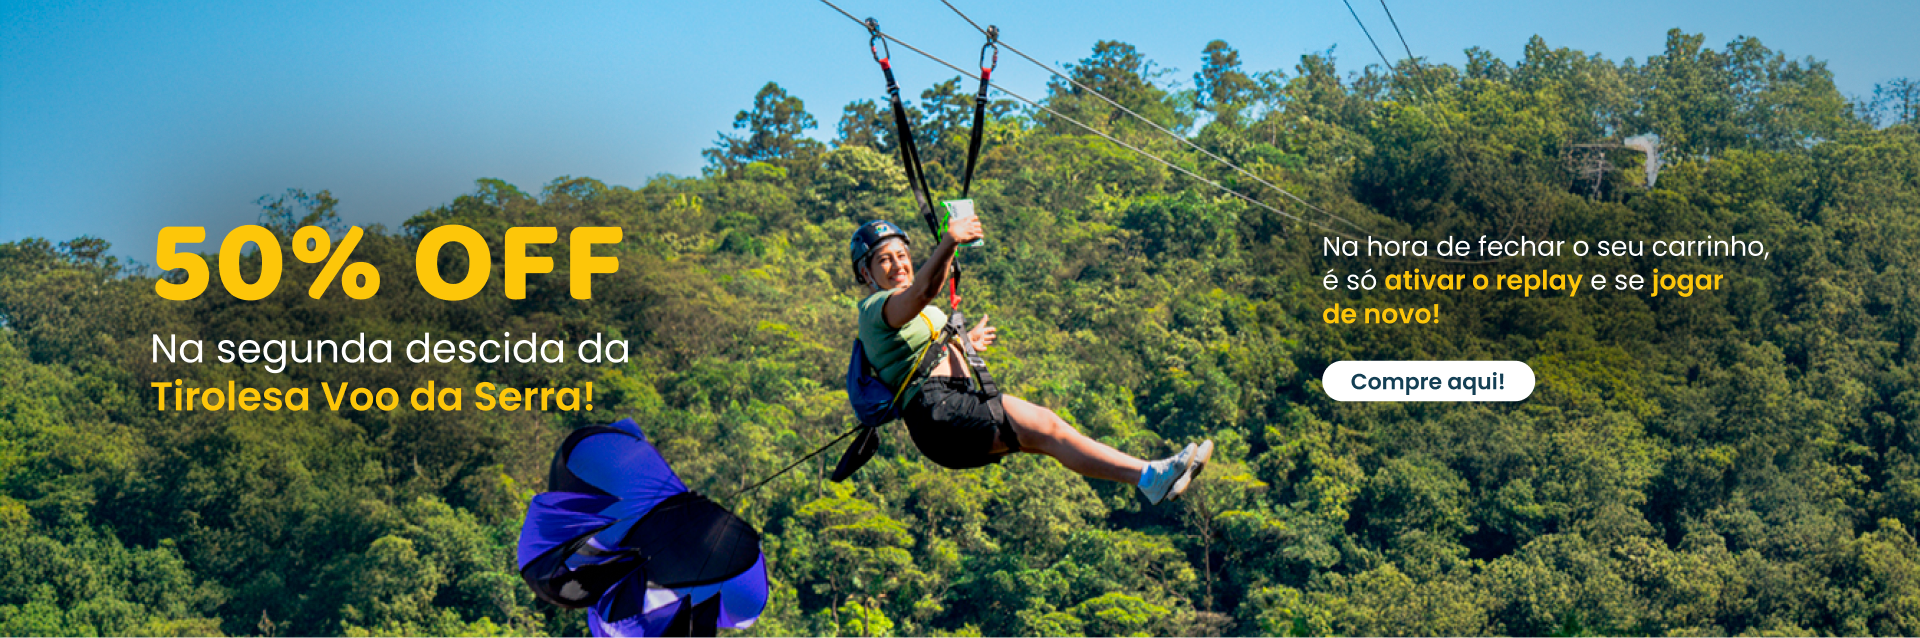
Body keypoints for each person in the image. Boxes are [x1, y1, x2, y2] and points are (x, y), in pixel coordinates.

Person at [849, 216, 1211, 504]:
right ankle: (1150, 477)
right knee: (1050, 429)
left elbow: (926, 311)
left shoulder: (916, 309)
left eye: (901, 256)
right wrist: (949, 240)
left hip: (946, 414)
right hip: (940, 411)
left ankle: (1150, 478)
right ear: (866, 274)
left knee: (1052, 436)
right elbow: (924, 290)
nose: (897, 264)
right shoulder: (875, 308)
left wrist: (963, 344)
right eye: (884, 260)